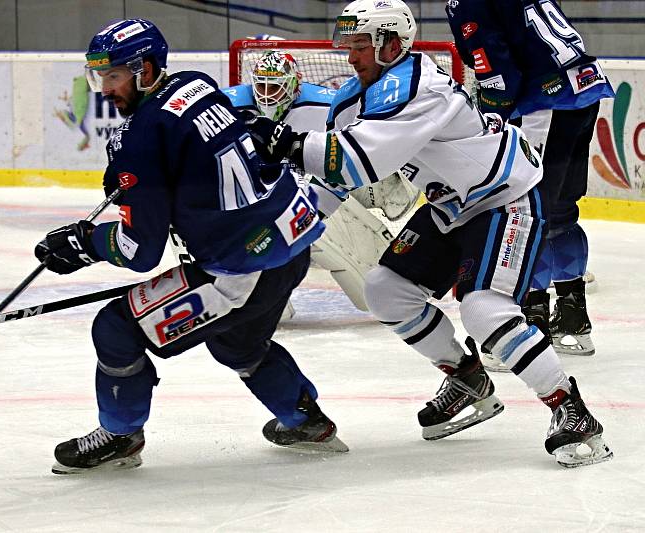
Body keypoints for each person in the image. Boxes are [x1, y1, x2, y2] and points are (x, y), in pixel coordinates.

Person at [245, 0, 612, 467]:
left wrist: (289, 144)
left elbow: (361, 160)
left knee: (483, 310)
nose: (351, 56)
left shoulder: (421, 87)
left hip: (504, 196)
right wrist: (276, 235)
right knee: (385, 289)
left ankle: (573, 411)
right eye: (349, 45)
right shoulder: (354, 100)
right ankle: (467, 379)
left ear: (392, 44)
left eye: (361, 46)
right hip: (450, 205)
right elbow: (334, 184)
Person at [35, 18, 347, 475]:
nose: (104, 89)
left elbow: (139, 249)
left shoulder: (140, 139)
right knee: (238, 343)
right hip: (294, 237)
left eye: (114, 76)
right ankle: (305, 422)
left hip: (241, 266)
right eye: (99, 76)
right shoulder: (196, 86)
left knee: (116, 330)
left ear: (144, 69)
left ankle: (121, 437)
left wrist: (86, 243)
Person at [446, 0, 615, 361]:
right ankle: (572, 323)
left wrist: (487, 123)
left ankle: (527, 325)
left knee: (528, 211)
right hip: (583, 90)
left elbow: (499, 78)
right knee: (560, 211)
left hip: (547, 102)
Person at [224, 49, 418, 312]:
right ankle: (264, 301)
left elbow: (359, 149)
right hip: (260, 199)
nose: (268, 95)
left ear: (295, 85)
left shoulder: (328, 103)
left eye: (276, 87)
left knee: (372, 292)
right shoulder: (228, 104)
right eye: (262, 86)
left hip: (314, 191)